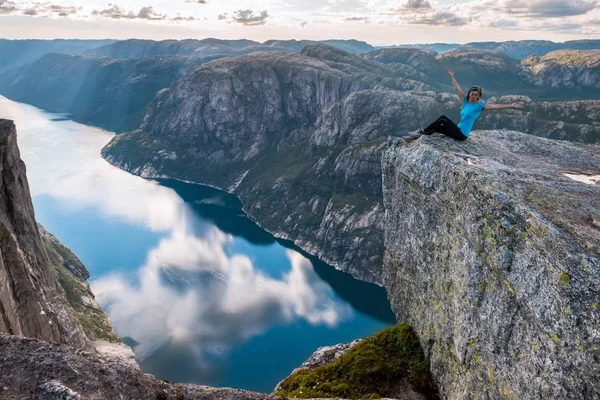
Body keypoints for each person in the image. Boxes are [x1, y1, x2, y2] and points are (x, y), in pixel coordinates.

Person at [418, 68, 525, 141]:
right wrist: (451, 76)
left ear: (478, 96)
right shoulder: (465, 102)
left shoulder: (479, 106)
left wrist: (511, 105)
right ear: (469, 94)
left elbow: (494, 106)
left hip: (462, 134)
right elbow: (457, 88)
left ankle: (422, 133)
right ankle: (423, 136)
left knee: (442, 119)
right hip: (457, 130)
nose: (473, 96)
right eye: (472, 94)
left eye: (475, 95)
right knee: (440, 126)